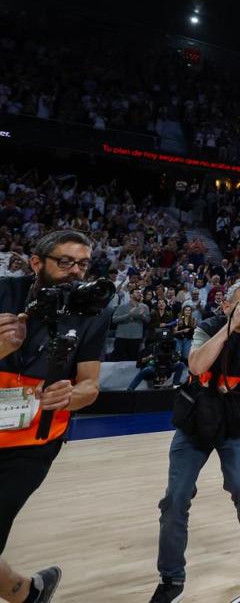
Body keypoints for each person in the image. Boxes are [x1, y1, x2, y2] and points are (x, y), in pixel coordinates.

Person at [149, 280, 240, 603]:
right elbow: (197, 364)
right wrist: (229, 327)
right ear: (226, 306)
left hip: (238, 419)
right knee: (175, 498)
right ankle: (171, 576)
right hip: (198, 418)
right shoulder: (209, 326)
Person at [0, 230, 106, 603]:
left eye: (82, 264)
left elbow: (90, 385)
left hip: (33, 444)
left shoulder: (94, 310)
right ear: (36, 264)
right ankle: (27, 592)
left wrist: (70, 395)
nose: (76, 271)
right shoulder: (4, 292)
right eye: (65, 262)